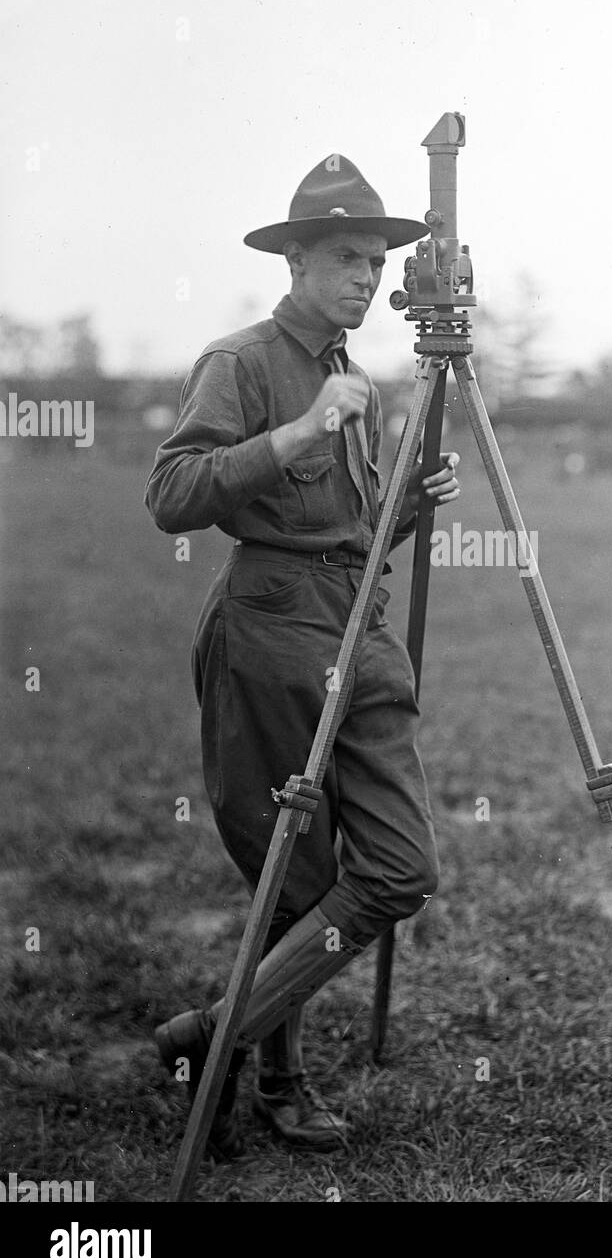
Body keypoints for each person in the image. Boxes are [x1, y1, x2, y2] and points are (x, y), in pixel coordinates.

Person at [145, 154, 460, 1158]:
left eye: (376, 261)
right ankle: (279, 1078)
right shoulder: (241, 363)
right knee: (294, 875)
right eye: (347, 260)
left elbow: (348, 534)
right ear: (296, 263)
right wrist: (293, 433)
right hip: (271, 634)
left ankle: (211, 1034)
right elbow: (173, 494)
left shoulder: (352, 377)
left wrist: (409, 505)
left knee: (397, 868)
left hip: (355, 632)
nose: (367, 279)